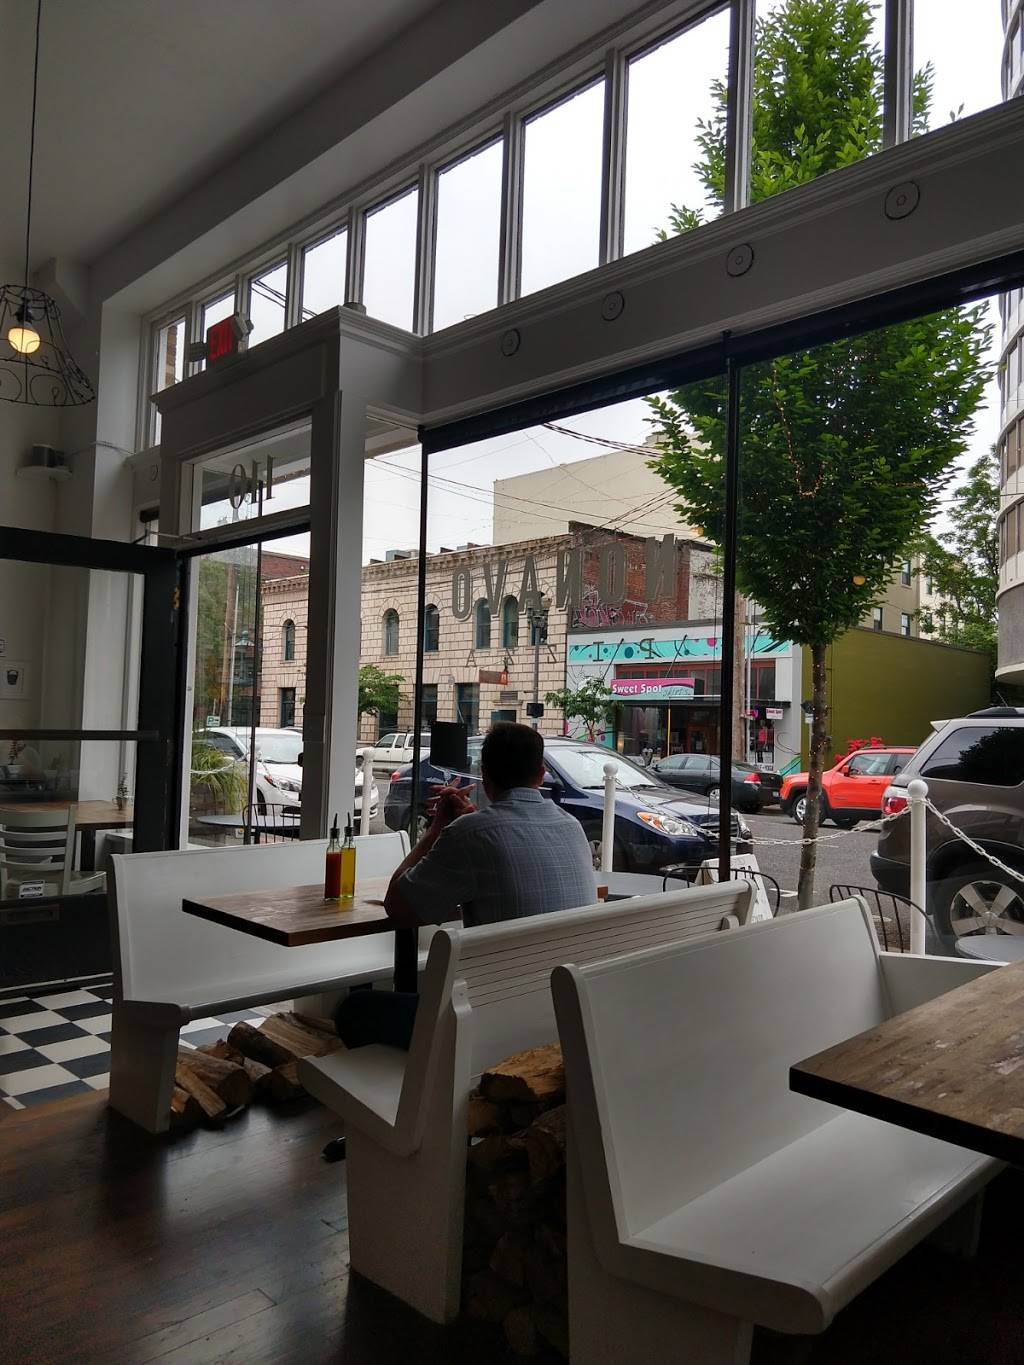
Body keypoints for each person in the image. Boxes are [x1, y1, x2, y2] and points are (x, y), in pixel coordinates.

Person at [335, 722, 597, 1050]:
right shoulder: (572, 827)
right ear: (541, 774)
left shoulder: (471, 834)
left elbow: (399, 908)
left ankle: (419, 1078)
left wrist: (437, 829)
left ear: (484, 776)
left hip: (487, 1023)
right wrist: (465, 825)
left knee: (353, 1010)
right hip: (560, 1014)